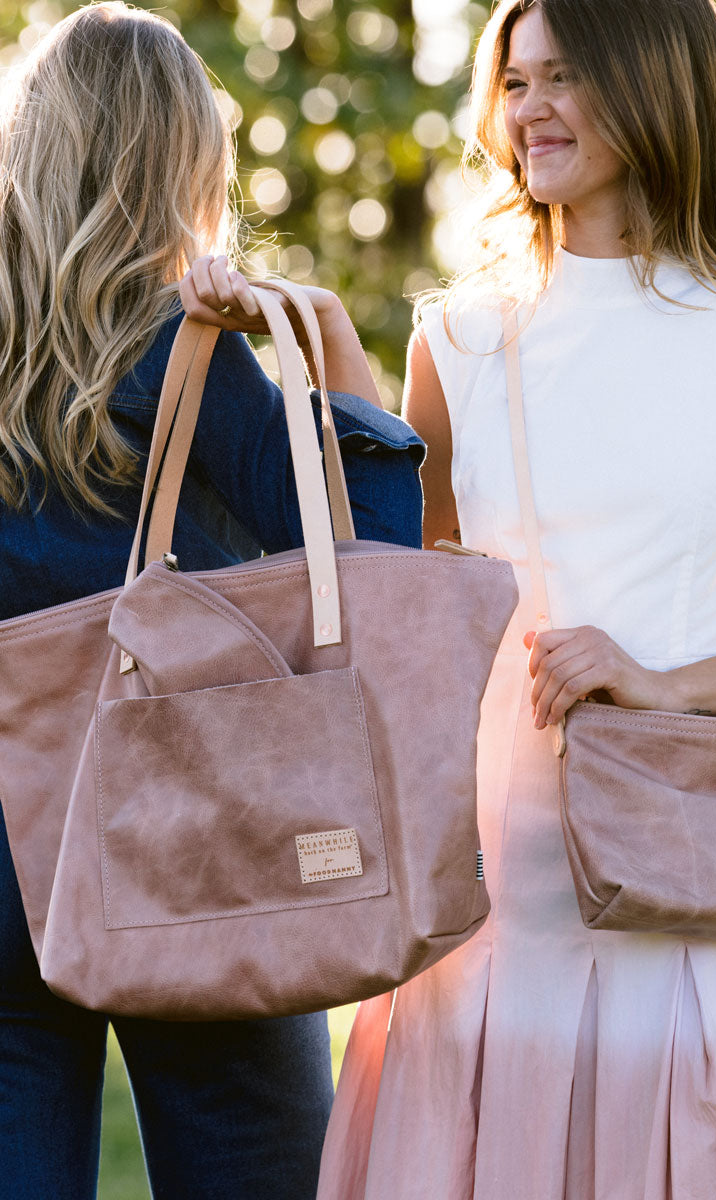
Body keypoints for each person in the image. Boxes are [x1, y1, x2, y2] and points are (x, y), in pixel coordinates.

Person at [312, 1, 716, 1196]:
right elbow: (400, 603)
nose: (527, 110)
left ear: (651, 81)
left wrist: (665, 683)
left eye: (562, 76)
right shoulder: (458, 340)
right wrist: (323, 344)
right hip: (493, 915)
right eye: (514, 81)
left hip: (699, 910)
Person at [0, 5, 423, 1199]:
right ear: (183, 161)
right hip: (194, 840)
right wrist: (323, 338)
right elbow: (374, 563)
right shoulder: (184, 350)